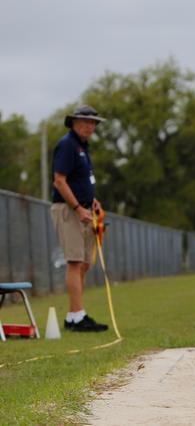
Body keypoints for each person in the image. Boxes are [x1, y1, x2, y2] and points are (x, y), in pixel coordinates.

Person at [51, 105, 109, 332]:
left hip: (84, 211)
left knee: (84, 264)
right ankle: (77, 317)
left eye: (94, 122)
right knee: (75, 262)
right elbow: (59, 180)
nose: (90, 126)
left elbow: (83, 180)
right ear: (73, 122)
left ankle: (75, 315)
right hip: (68, 211)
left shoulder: (83, 147)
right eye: (85, 121)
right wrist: (77, 207)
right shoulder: (67, 145)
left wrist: (91, 201)